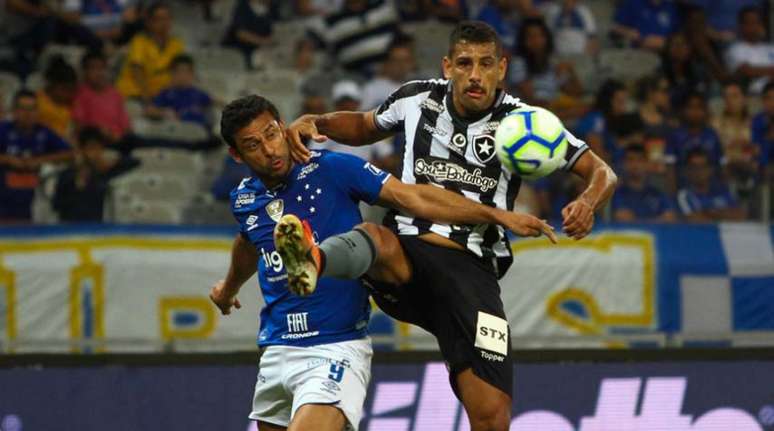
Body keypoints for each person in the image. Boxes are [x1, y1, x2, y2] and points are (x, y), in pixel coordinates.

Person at [284, 20, 617, 431]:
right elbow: (365, 124)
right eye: (464, 63)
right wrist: (318, 121)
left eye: (485, 64)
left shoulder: (526, 123)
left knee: (492, 415)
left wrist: (587, 201)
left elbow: (602, 172)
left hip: (469, 272)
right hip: (407, 252)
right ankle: (311, 258)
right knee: (375, 237)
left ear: (502, 69)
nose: (474, 75)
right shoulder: (415, 98)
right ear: (447, 66)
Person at [208, 94, 556, 431]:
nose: (269, 150)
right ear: (236, 155)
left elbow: (412, 197)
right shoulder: (245, 199)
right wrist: (228, 288)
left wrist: (495, 214)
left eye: (271, 134)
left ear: (283, 127)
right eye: (253, 145)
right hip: (275, 347)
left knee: (373, 237)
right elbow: (249, 243)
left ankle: (317, 258)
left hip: (333, 347)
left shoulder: (332, 168)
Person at [0, 90, 73, 222]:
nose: (28, 114)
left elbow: (69, 153)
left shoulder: (44, 132)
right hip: (5, 193)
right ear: (14, 111)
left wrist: (40, 160)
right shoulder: (4, 129)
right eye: (23, 109)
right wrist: (7, 159)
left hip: (36, 195)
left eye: (32, 109)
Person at [52, 127, 139, 222]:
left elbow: (135, 162)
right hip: (70, 228)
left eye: (99, 148)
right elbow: (56, 205)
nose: (95, 153)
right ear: (82, 150)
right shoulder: (67, 174)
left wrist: (114, 162)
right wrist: (76, 185)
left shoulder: (105, 170)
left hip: (97, 229)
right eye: (91, 148)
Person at [509, 17, 586, 121]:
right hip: (528, 115)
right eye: (531, 36)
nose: (536, 40)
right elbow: (531, 100)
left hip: (553, 110)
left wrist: (571, 71)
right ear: (524, 41)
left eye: (540, 36)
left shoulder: (551, 65)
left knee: (590, 107)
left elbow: (578, 92)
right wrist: (559, 109)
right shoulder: (518, 63)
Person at [116, 2, 185, 101]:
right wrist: (147, 98)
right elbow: (137, 71)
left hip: (160, 95)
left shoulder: (176, 43)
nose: (164, 23)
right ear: (149, 22)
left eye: (167, 18)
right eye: (159, 19)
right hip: (134, 93)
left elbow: (181, 70)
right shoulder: (140, 41)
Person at [72, 50, 132, 141]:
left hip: (121, 140)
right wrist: (100, 131)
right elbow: (80, 127)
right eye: (93, 68)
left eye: (101, 68)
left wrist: (123, 136)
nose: (99, 73)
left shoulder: (115, 94)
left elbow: (125, 125)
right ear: (85, 72)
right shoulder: (80, 94)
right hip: (97, 141)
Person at [677, 148, 746, 221]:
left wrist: (709, 213)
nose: (699, 171)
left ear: (710, 169)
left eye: (703, 166)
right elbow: (693, 219)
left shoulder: (723, 192)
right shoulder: (684, 195)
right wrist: (722, 213)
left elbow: (740, 215)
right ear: (687, 170)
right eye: (694, 167)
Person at [146, 54, 213, 128]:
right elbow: (149, 110)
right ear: (172, 73)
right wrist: (164, 112)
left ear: (192, 74)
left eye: (186, 72)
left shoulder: (198, 93)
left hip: (200, 131)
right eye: (178, 72)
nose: (182, 76)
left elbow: (216, 102)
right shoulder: (166, 93)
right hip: (178, 130)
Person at [612, 145, 676, 222]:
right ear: (624, 164)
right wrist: (658, 220)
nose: (635, 165)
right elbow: (624, 219)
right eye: (630, 160)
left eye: (640, 160)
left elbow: (670, 218)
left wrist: (636, 220)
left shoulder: (658, 194)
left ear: (647, 164)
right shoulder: (618, 194)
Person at [725, 6, 774, 95]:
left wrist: (758, 71)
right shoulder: (735, 49)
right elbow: (746, 71)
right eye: (749, 22)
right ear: (741, 25)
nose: (753, 26)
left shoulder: (771, 48)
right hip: (751, 95)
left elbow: (752, 70)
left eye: (756, 22)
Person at [610, 0, 680, 52]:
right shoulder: (633, 3)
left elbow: (678, 36)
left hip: (663, 55)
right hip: (636, 53)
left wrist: (666, 42)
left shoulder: (671, 8)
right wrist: (627, 32)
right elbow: (614, 28)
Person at [222, 0, 273, 68]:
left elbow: (269, 33)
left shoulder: (267, 10)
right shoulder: (242, 6)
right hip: (236, 52)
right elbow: (241, 33)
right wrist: (262, 41)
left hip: (257, 52)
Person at [37, 55, 78, 140]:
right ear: (52, 85)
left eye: (71, 90)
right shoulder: (37, 102)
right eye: (64, 89)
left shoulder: (72, 103)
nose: (68, 94)